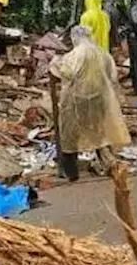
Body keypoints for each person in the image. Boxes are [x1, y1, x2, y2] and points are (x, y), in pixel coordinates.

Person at [50, 25, 131, 180]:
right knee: (99, 132)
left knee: (70, 135)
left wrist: (54, 63)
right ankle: (108, 164)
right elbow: (112, 76)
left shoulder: (75, 55)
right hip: (99, 98)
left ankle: (71, 173)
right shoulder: (103, 54)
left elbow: (66, 72)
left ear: (75, 38)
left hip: (76, 100)